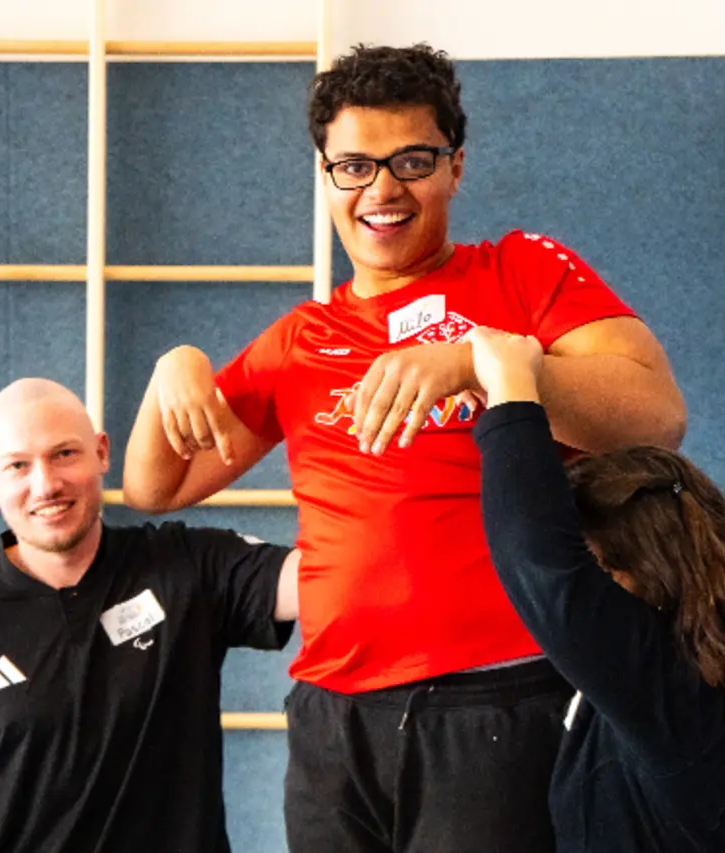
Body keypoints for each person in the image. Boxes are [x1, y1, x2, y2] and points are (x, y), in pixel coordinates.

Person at [123, 44, 687, 852]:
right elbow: (155, 485)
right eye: (354, 166)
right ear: (325, 177)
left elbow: (656, 414)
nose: (382, 190)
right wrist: (173, 366)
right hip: (332, 719)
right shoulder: (300, 340)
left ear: (455, 166)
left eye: (412, 161)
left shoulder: (521, 272)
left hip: (500, 700)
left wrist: (481, 362)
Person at [0, 378, 299, 853]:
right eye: (18, 465)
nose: (46, 485)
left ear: (101, 453)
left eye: (64, 454)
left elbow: (324, 580)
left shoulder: (185, 565)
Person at [467, 326, 725, 852]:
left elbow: (540, 563)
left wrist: (512, 390)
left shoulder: (679, 695)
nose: (596, 593)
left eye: (599, 569)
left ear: (650, 572)